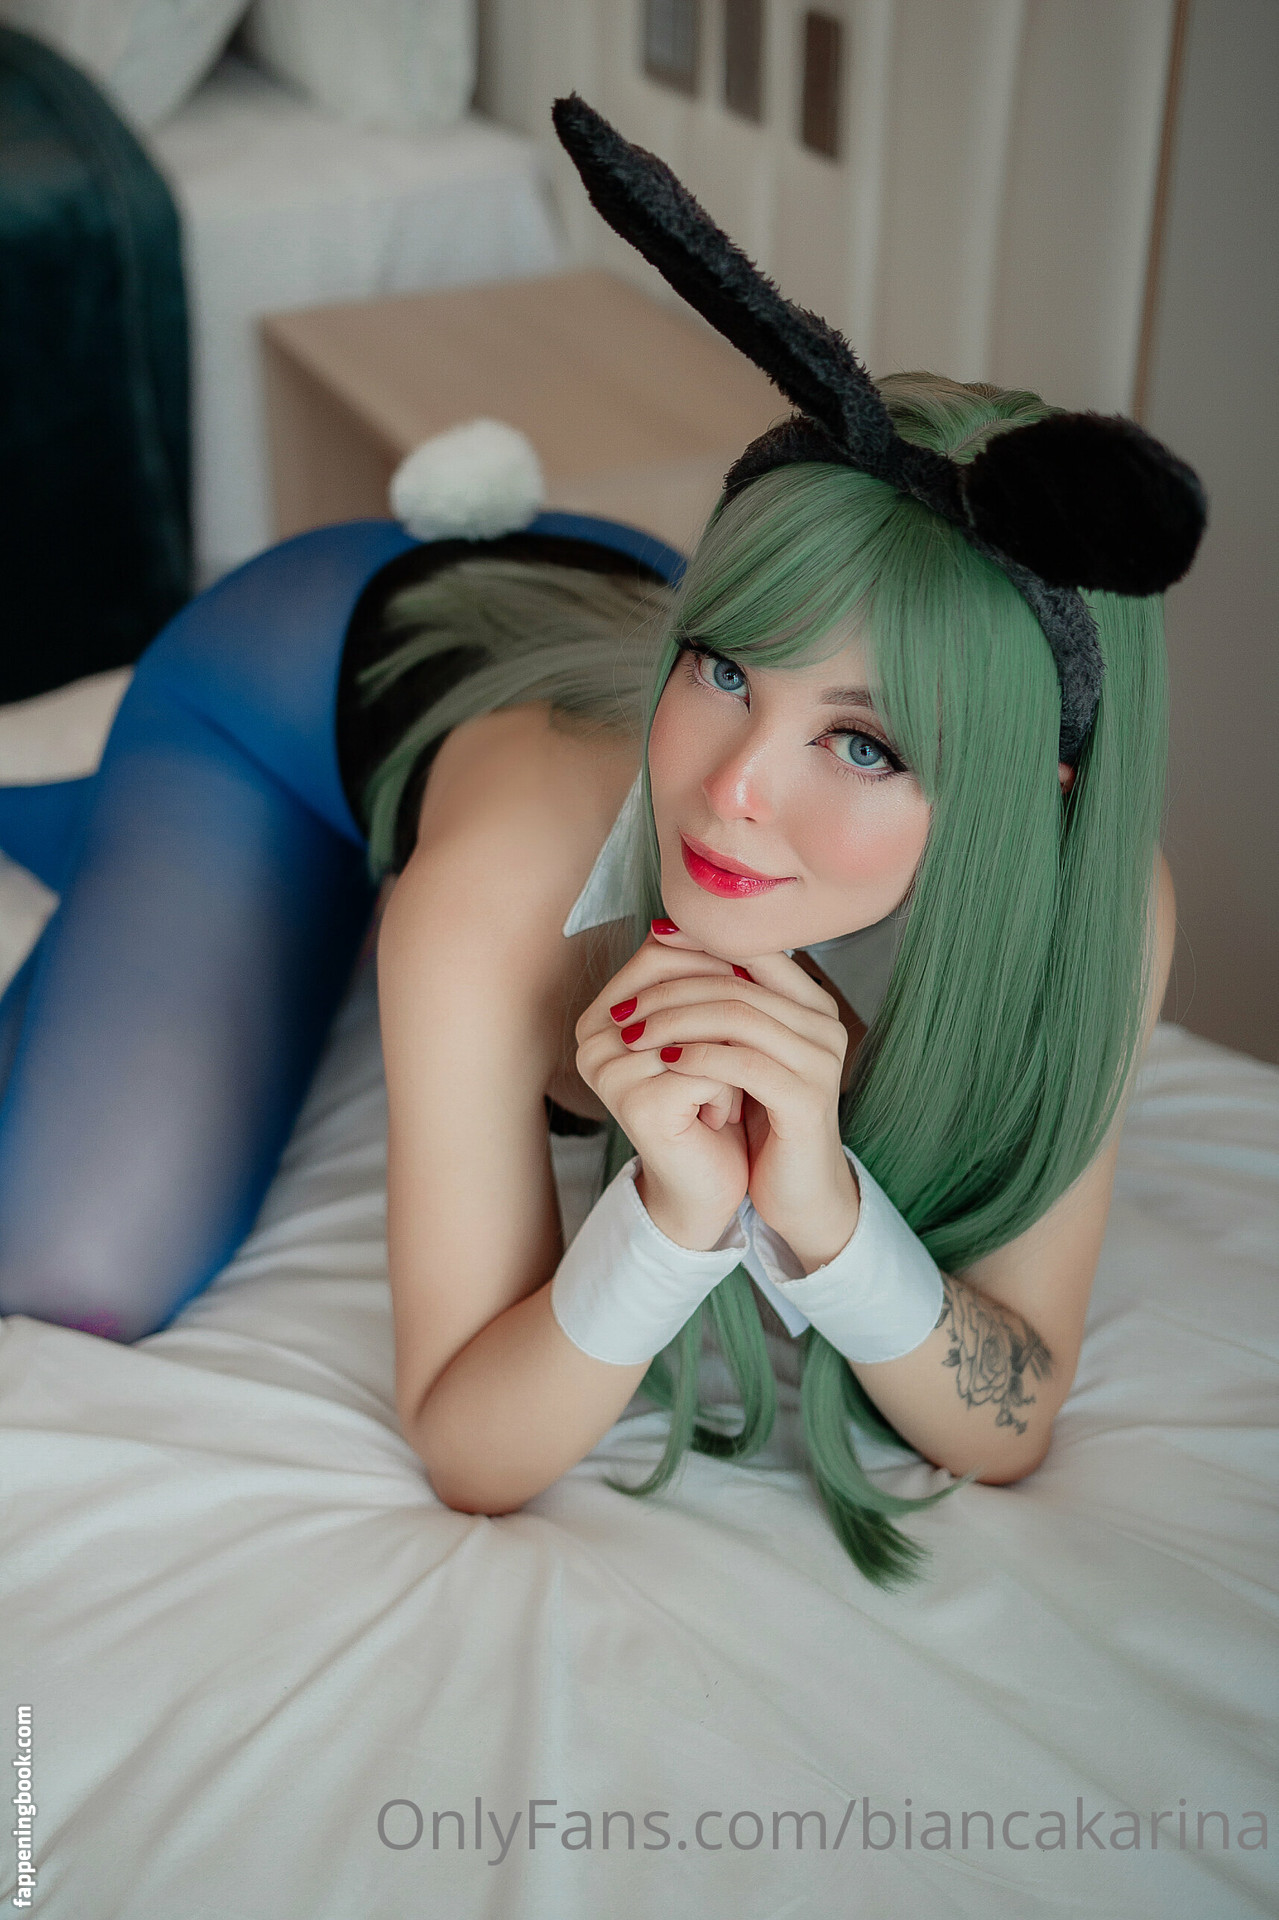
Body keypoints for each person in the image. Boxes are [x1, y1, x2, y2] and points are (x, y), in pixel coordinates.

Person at [0, 100, 1201, 1589]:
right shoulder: (498, 899)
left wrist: (823, 1213)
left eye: (863, 744)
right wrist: (667, 1227)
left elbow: (1011, 1413)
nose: (733, 790)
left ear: (1040, 790)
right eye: (726, 668)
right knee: (74, 1264)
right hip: (293, 677)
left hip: (587, 612)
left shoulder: (1100, 911)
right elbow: (466, 1443)